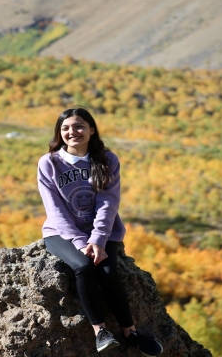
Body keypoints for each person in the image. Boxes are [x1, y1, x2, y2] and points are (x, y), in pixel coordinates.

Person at [37, 107, 163, 356]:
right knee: (83, 266)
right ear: (59, 133)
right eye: (65, 128)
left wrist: (98, 239)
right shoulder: (49, 163)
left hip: (103, 233)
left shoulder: (106, 159)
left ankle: (130, 332)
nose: (72, 132)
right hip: (61, 234)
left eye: (79, 126)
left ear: (91, 129)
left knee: (107, 270)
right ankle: (100, 332)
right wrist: (81, 242)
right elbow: (55, 209)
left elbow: (108, 202)